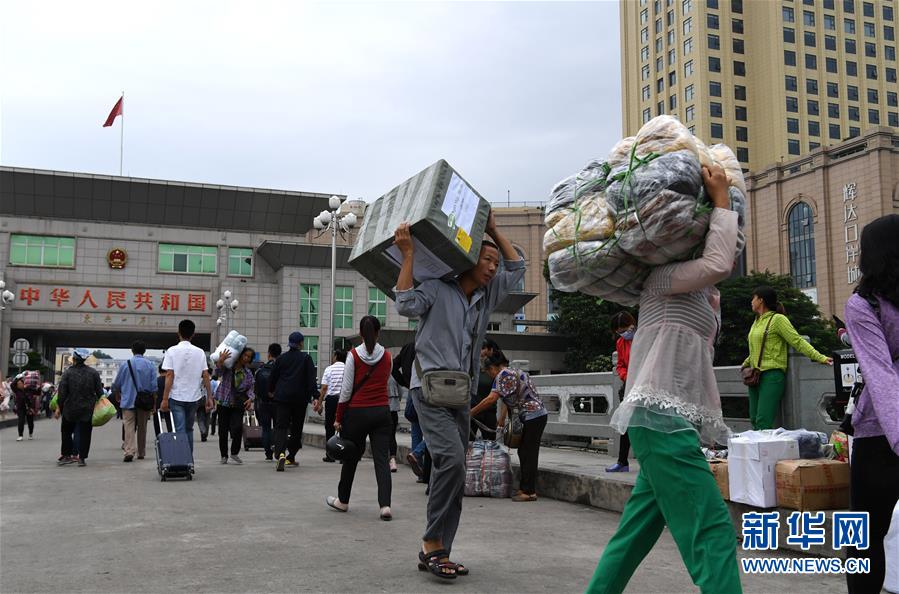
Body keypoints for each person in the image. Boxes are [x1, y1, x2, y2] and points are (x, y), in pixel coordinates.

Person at [586, 165, 743, 593]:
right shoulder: (662, 280)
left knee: (634, 534)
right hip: (660, 418)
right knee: (712, 531)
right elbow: (718, 261)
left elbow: (713, 268)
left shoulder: (703, 295)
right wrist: (722, 201)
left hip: (669, 422)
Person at [394, 209, 525, 579]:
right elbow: (405, 304)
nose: (492, 267)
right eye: (486, 259)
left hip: (460, 396)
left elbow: (518, 271)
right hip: (429, 390)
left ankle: (439, 550)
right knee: (450, 460)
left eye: (494, 262)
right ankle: (432, 543)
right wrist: (408, 256)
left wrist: (496, 233)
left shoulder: (484, 297)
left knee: (456, 468)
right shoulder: (438, 288)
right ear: (468, 260)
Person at [842, 214, 899, 593]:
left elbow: (883, 374)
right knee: (865, 532)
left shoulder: (869, 304)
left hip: (885, 432)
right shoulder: (864, 306)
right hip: (883, 431)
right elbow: (882, 375)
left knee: (868, 532)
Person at [326, 316, 394, 519]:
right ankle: (385, 506)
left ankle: (343, 501)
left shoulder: (353, 355)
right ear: (378, 332)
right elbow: (385, 383)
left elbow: (346, 392)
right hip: (382, 412)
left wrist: (338, 417)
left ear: (361, 333)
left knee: (351, 458)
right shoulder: (388, 357)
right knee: (382, 460)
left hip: (357, 414)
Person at [741, 286, 833, 430]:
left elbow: (797, 341)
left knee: (762, 420)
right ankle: (760, 450)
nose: (751, 301)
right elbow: (757, 347)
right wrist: (746, 363)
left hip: (772, 375)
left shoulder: (778, 319)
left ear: (761, 300)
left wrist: (819, 357)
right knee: (754, 418)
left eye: (753, 298)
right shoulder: (757, 321)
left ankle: (765, 452)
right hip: (755, 375)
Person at [471, 350, 547, 502]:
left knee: (528, 453)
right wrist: (502, 417)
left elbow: (491, 399)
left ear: (492, 368)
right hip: (533, 415)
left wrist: (470, 412)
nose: (489, 375)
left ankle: (530, 491)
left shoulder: (503, 375)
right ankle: (525, 488)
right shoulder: (512, 372)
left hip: (534, 415)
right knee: (524, 452)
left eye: (488, 372)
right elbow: (509, 397)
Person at [160, 319, 214, 454]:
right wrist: (210, 397)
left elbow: (169, 375)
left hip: (176, 397)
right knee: (189, 429)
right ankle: (188, 459)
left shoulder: (171, 351)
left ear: (178, 333)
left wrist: (165, 399)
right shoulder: (200, 352)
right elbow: (205, 375)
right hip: (194, 397)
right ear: (193, 334)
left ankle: (181, 459)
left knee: (179, 429)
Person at [268, 331, 317, 471]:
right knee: (296, 428)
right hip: (300, 400)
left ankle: (280, 453)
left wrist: (271, 390)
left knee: (281, 426)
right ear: (301, 343)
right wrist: (315, 395)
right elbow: (311, 380)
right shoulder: (306, 358)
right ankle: (291, 456)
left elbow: (273, 376)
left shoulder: (281, 359)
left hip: (282, 398)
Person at [111, 340, 158, 462]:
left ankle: (129, 451)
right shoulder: (150, 365)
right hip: (144, 401)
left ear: (132, 350)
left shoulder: (125, 364)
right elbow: (154, 386)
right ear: (144, 351)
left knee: (128, 426)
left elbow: (117, 383)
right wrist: (154, 403)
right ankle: (141, 452)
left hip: (128, 400)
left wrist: (117, 394)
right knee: (142, 426)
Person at [56, 348, 103, 467]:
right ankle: (81, 458)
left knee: (66, 431)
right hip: (87, 409)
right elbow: (100, 392)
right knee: (85, 433)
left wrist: (58, 408)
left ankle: (66, 455)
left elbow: (62, 393)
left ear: (74, 359)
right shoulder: (93, 373)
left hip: (69, 408)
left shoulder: (67, 373)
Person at [213, 346, 256, 465]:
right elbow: (217, 372)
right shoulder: (228, 367)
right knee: (223, 429)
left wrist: (250, 399)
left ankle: (234, 453)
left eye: (249, 357)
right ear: (240, 355)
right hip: (224, 402)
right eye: (245, 355)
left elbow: (251, 388)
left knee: (237, 428)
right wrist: (221, 360)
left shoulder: (247, 373)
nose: (246, 358)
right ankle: (224, 455)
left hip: (238, 403)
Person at [607, 312, 636, 473]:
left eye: (624, 329)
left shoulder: (643, 337)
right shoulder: (621, 343)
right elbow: (620, 365)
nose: (623, 333)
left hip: (645, 384)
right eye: (619, 331)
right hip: (628, 385)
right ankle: (622, 461)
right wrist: (626, 376)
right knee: (625, 423)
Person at [314, 349, 347, 463]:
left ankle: (330, 455)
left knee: (329, 427)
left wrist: (319, 403)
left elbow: (324, 388)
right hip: (344, 400)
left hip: (332, 400)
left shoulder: (329, 369)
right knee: (344, 426)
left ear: (336, 356)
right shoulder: (348, 368)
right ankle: (344, 455)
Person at [254, 343, 281, 461]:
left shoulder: (260, 370)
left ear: (268, 354)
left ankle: (268, 453)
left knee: (265, 428)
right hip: (278, 403)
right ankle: (277, 448)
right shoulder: (281, 369)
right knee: (278, 427)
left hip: (264, 403)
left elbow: (256, 390)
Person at [470, 339, 499, 442]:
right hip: (472, 411)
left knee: (490, 444)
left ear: (489, 350)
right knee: (468, 443)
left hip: (489, 412)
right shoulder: (470, 367)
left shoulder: (493, 370)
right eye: (479, 349)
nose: (481, 352)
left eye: (483, 349)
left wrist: (503, 417)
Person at [11, 375, 39, 441]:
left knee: (30, 421)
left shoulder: (28, 389)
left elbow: (37, 391)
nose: (19, 385)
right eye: (18, 384)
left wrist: (38, 387)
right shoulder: (16, 390)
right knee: (21, 421)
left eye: (21, 383)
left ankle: (30, 434)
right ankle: (20, 435)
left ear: (23, 384)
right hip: (20, 408)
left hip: (29, 408)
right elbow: (12, 384)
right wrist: (18, 378)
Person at [387, 372, 402, 472]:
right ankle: (392, 460)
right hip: (393, 409)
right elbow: (400, 392)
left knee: (380, 435)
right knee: (392, 435)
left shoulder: (378, 372)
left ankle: (383, 459)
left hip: (381, 408)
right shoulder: (395, 374)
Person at [152, 365, 173, 436]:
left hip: (157, 403)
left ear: (159, 371)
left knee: (157, 420)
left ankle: (158, 435)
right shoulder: (171, 380)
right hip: (169, 402)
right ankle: (172, 433)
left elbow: (153, 392)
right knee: (169, 420)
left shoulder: (156, 381)